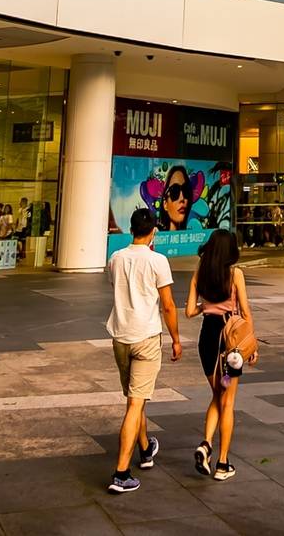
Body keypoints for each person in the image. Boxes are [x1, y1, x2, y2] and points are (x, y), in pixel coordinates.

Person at [106, 207, 179, 495]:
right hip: (147, 336)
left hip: (121, 336)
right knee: (135, 403)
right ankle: (121, 472)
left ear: (131, 229)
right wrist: (175, 338)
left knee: (136, 398)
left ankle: (146, 449)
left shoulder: (116, 258)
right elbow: (169, 305)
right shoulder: (158, 261)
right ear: (153, 232)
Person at [187, 229, 252, 482]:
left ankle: (205, 445)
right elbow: (245, 312)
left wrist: (207, 305)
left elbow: (190, 311)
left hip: (207, 337)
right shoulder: (235, 274)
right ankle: (223, 464)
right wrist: (252, 346)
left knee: (217, 394)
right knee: (228, 401)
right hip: (231, 340)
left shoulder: (199, 273)